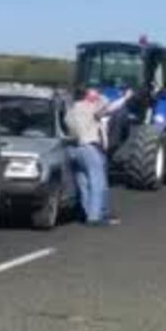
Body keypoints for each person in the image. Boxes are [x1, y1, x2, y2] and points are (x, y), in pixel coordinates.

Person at [65, 86, 130, 226]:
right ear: (87, 95)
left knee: (84, 183)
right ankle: (95, 216)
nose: (99, 95)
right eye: (95, 92)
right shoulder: (90, 108)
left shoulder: (71, 110)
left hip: (73, 149)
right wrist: (125, 98)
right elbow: (111, 107)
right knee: (97, 183)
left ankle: (87, 212)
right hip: (89, 148)